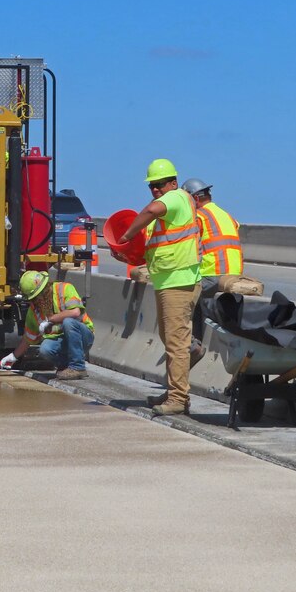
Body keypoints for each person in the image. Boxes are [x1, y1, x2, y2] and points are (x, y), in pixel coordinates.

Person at [117, 159, 202, 416]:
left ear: (173, 183)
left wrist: (126, 235)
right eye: (151, 186)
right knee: (172, 341)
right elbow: (154, 249)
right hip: (168, 281)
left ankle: (178, 398)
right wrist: (126, 254)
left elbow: (150, 211)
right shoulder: (169, 211)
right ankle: (175, 393)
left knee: (176, 342)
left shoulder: (177, 197)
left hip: (180, 281)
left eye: (159, 184)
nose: (155, 189)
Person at [0, 270, 94, 380]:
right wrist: (13, 356)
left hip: (83, 338)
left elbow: (75, 312)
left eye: (37, 296)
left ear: (45, 289)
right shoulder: (34, 311)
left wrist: (51, 319)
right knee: (45, 349)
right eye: (33, 299)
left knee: (68, 322)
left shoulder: (64, 289)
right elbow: (28, 338)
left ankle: (78, 367)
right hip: (62, 342)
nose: (37, 301)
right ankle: (66, 368)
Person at [182, 178, 243, 282]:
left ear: (195, 199)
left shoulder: (198, 216)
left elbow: (186, 249)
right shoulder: (226, 215)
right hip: (235, 273)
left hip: (211, 275)